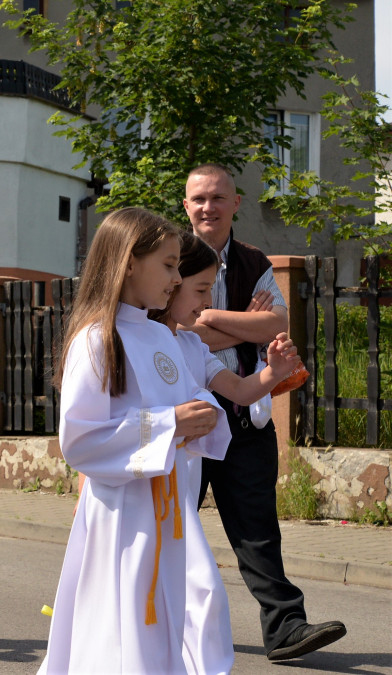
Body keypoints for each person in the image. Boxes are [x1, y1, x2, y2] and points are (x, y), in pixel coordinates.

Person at [39, 208, 225, 674]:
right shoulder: (97, 340)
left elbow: (187, 402)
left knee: (163, 620)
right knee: (123, 624)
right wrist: (169, 425)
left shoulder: (160, 336)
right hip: (123, 513)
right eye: (167, 265)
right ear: (127, 263)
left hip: (168, 511)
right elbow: (79, 440)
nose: (176, 277)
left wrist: (202, 415)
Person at [183, 163, 347, 661]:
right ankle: (150, 619)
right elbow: (179, 333)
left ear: (236, 203)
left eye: (217, 198)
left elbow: (277, 321)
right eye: (198, 199)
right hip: (183, 420)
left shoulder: (254, 261)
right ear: (185, 205)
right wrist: (241, 324)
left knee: (258, 528)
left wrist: (209, 318)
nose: (208, 207)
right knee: (169, 528)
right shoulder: (171, 259)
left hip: (242, 411)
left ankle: (285, 628)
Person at [151, 231, 301, 674]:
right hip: (149, 490)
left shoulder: (191, 345)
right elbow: (91, 429)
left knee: (201, 591)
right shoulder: (131, 339)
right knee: (169, 589)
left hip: (181, 485)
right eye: (199, 291)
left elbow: (237, 387)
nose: (204, 302)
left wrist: (273, 372)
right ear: (171, 283)